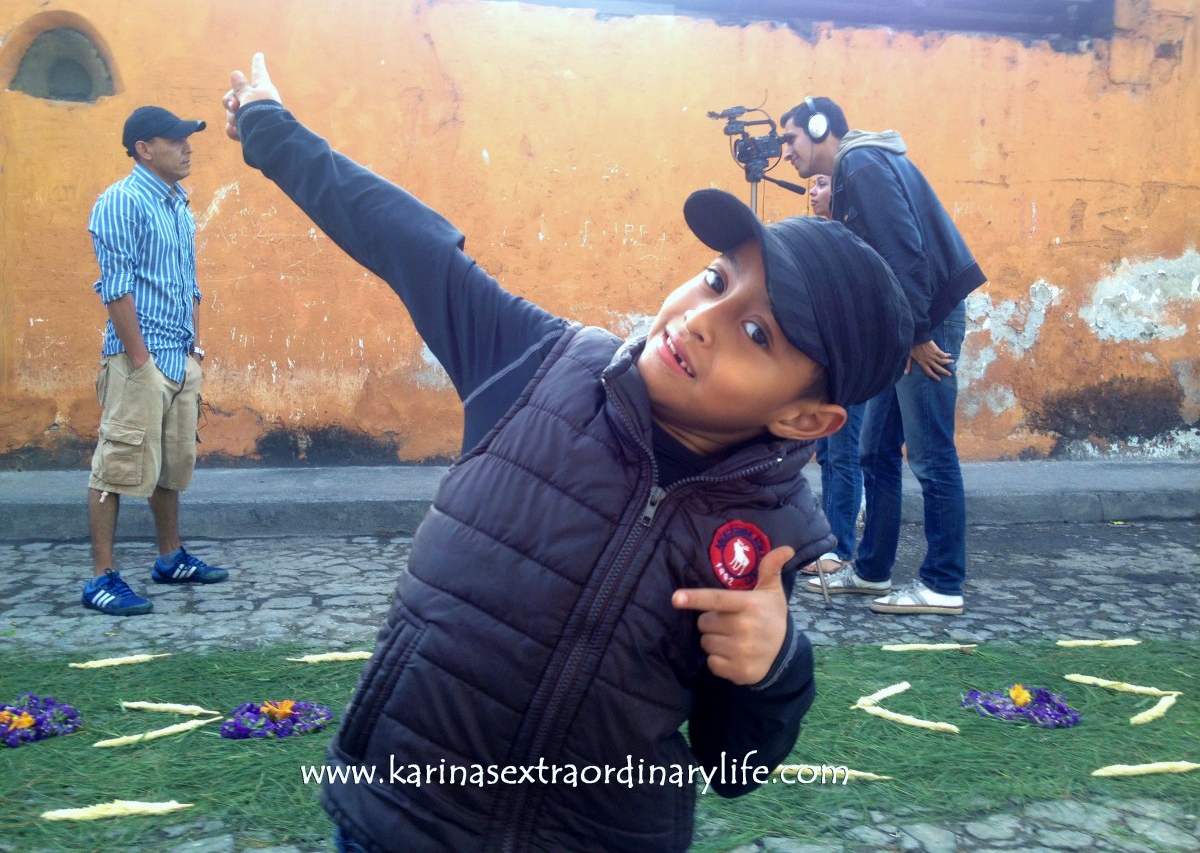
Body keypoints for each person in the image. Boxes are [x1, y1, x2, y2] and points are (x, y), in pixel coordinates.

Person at [223, 53, 912, 852]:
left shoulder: (773, 536)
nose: (700, 321)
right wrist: (275, 132)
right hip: (402, 816)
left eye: (758, 333)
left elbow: (734, 761)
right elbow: (408, 244)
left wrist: (772, 668)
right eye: (717, 280)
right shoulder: (539, 360)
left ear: (805, 418)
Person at [780, 96, 986, 616]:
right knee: (874, 451)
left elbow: (904, 251)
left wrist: (917, 333)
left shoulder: (861, 163)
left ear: (821, 128)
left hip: (927, 320)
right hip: (911, 323)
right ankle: (872, 572)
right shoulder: (856, 170)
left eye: (791, 139)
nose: (785, 153)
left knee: (931, 454)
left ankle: (942, 582)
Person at [81, 106, 228, 617]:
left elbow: (185, 282)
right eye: (176, 140)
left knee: (168, 463)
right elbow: (116, 288)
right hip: (136, 360)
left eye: (188, 139)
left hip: (179, 356)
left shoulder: (177, 204)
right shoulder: (121, 202)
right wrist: (141, 361)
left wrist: (192, 352)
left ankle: (170, 558)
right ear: (145, 148)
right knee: (117, 465)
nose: (188, 147)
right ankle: (101, 578)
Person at [799, 173, 865, 577]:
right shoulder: (821, 236)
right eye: (812, 185)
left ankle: (840, 546)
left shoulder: (853, 239)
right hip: (826, 361)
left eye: (822, 183)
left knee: (843, 451)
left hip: (853, 359)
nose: (813, 191)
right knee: (826, 452)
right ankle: (829, 540)